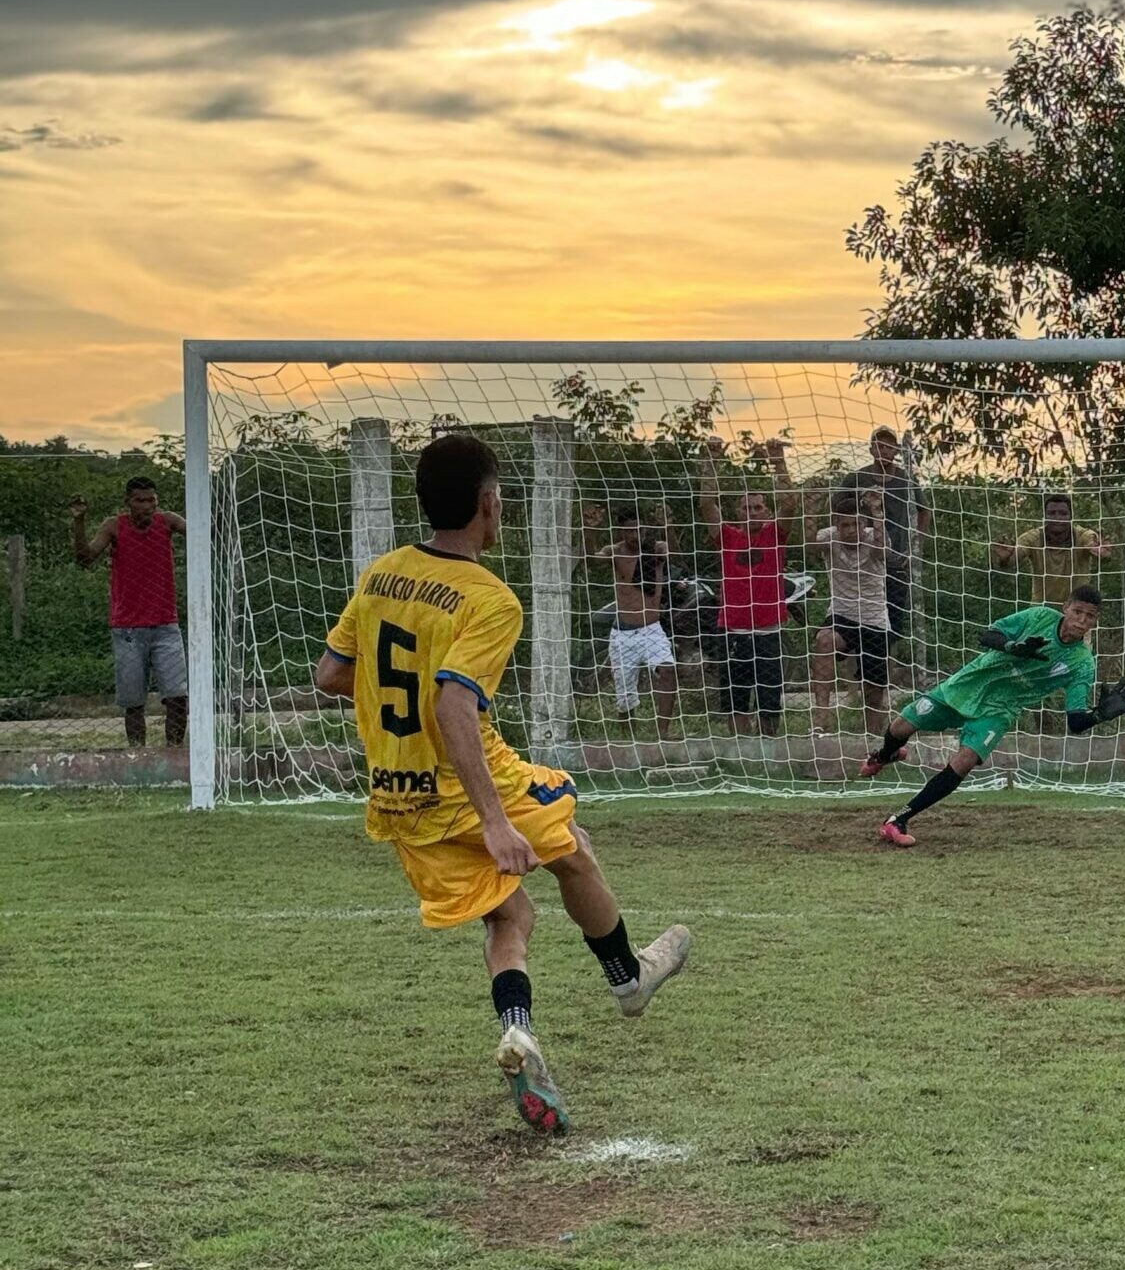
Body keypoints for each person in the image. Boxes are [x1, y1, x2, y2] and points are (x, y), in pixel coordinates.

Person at [310, 433, 691, 1137]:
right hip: (468, 786)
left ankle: (519, 1034)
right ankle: (628, 980)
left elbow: (331, 673)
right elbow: (453, 703)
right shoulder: (490, 599)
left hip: (402, 798)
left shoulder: (382, 575)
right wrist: (492, 817)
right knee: (571, 838)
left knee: (509, 916)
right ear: (491, 505)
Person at [860, 585, 1125, 847]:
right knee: (900, 728)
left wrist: (1100, 715)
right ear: (1065, 607)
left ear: (1095, 621)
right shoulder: (1039, 617)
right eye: (1077, 611)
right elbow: (987, 635)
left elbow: (1076, 722)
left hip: (999, 709)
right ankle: (885, 755)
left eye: (1089, 616)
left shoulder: (1082, 663)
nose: (1081, 620)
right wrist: (1012, 647)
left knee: (965, 760)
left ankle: (899, 819)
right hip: (968, 685)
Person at [70, 479, 188, 748]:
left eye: (151, 500)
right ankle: (137, 754)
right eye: (140, 501)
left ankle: (175, 751)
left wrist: (215, 514)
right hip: (127, 628)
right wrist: (79, 522)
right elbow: (85, 558)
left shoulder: (167, 522)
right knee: (133, 700)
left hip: (165, 624)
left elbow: (200, 532)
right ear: (128, 502)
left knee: (177, 696)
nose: (147, 506)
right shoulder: (114, 526)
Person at [696, 436, 798, 736]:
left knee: (769, 699)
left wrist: (777, 460)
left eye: (757, 507)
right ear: (737, 512)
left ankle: (767, 750)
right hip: (733, 630)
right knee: (734, 699)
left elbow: (790, 502)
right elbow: (706, 503)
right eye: (746, 508)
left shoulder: (775, 534)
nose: (752, 512)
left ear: (765, 511)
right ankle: (741, 752)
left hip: (768, 630)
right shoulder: (727, 537)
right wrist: (713, 459)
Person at [805, 487, 895, 736]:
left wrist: (877, 512)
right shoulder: (830, 537)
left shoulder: (875, 535)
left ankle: (873, 737)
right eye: (845, 526)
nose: (851, 531)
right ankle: (820, 720)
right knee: (824, 640)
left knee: (873, 691)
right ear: (837, 525)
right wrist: (810, 509)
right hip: (842, 613)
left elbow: (883, 553)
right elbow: (809, 546)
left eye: (856, 524)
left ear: (863, 524)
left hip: (874, 617)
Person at [833, 426, 929, 646]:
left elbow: (924, 511)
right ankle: (857, 669)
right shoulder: (857, 478)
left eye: (888, 447)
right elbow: (835, 510)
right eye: (879, 446)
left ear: (895, 451)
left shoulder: (906, 479)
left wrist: (915, 548)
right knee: (857, 617)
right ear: (871, 450)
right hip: (864, 561)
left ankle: (886, 670)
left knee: (892, 622)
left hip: (896, 559)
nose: (884, 451)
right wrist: (841, 548)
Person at [589, 508, 679, 738]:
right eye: (630, 530)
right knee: (625, 697)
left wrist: (668, 525)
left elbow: (675, 555)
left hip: (651, 629)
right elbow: (591, 561)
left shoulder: (656, 549)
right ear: (621, 531)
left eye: (640, 529)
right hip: (623, 634)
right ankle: (629, 741)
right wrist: (590, 529)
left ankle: (663, 734)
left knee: (668, 671)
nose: (635, 535)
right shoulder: (615, 552)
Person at [989, 492, 1111, 606]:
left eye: (1063, 513)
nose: (1057, 517)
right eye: (1052, 513)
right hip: (1041, 608)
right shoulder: (1032, 538)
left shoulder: (1083, 535)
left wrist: (1103, 554)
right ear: (1044, 516)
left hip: (1077, 609)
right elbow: (1011, 561)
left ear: (1071, 516)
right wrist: (1005, 558)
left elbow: (1097, 549)